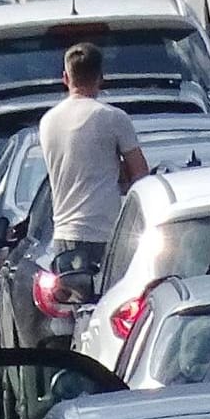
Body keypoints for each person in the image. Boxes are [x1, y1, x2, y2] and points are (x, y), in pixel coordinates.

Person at [37, 43, 147, 274]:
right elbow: (140, 175)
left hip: (64, 233)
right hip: (105, 233)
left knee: (70, 303)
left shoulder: (48, 121)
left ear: (66, 78)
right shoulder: (113, 118)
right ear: (100, 77)